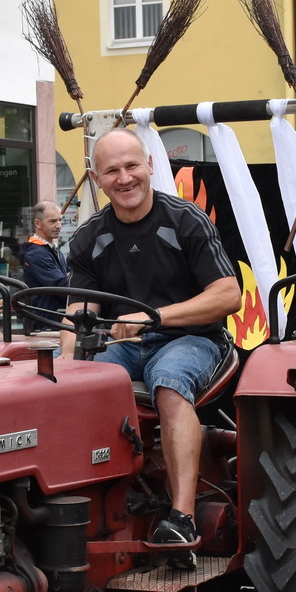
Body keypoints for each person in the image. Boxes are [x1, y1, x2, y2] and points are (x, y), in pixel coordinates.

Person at [65, 130, 242, 568]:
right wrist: (67, 371)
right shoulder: (89, 237)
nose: (124, 178)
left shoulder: (185, 220)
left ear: (148, 165)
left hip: (195, 339)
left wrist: (153, 317)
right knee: (86, 382)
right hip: (126, 346)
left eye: (131, 166)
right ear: (95, 179)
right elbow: (79, 311)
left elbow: (227, 295)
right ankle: (93, 501)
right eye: (112, 171)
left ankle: (181, 517)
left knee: (169, 379)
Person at [19, 201, 69, 330]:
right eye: (52, 221)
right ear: (37, 223)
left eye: (60, 220)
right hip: (45, 324)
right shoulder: (36, 253)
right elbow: (62, 287)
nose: (59, 226)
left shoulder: (50, 248)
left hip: (52, 320)